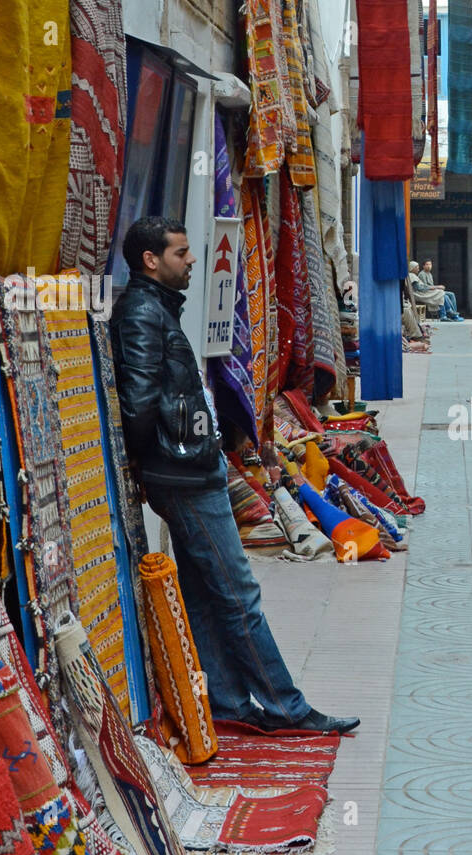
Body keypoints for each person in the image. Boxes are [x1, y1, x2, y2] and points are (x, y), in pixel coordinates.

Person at [110, 216, 360, 736]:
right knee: (239, 591)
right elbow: (138, 404)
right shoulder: (140, 314)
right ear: (151, 261)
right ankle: (287, 707)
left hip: (186, 469)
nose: (193, 260)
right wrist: (168, 458)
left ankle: (224, 700)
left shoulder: (154, 309)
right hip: (184, 475)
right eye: (181, 253)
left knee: (205, 591)